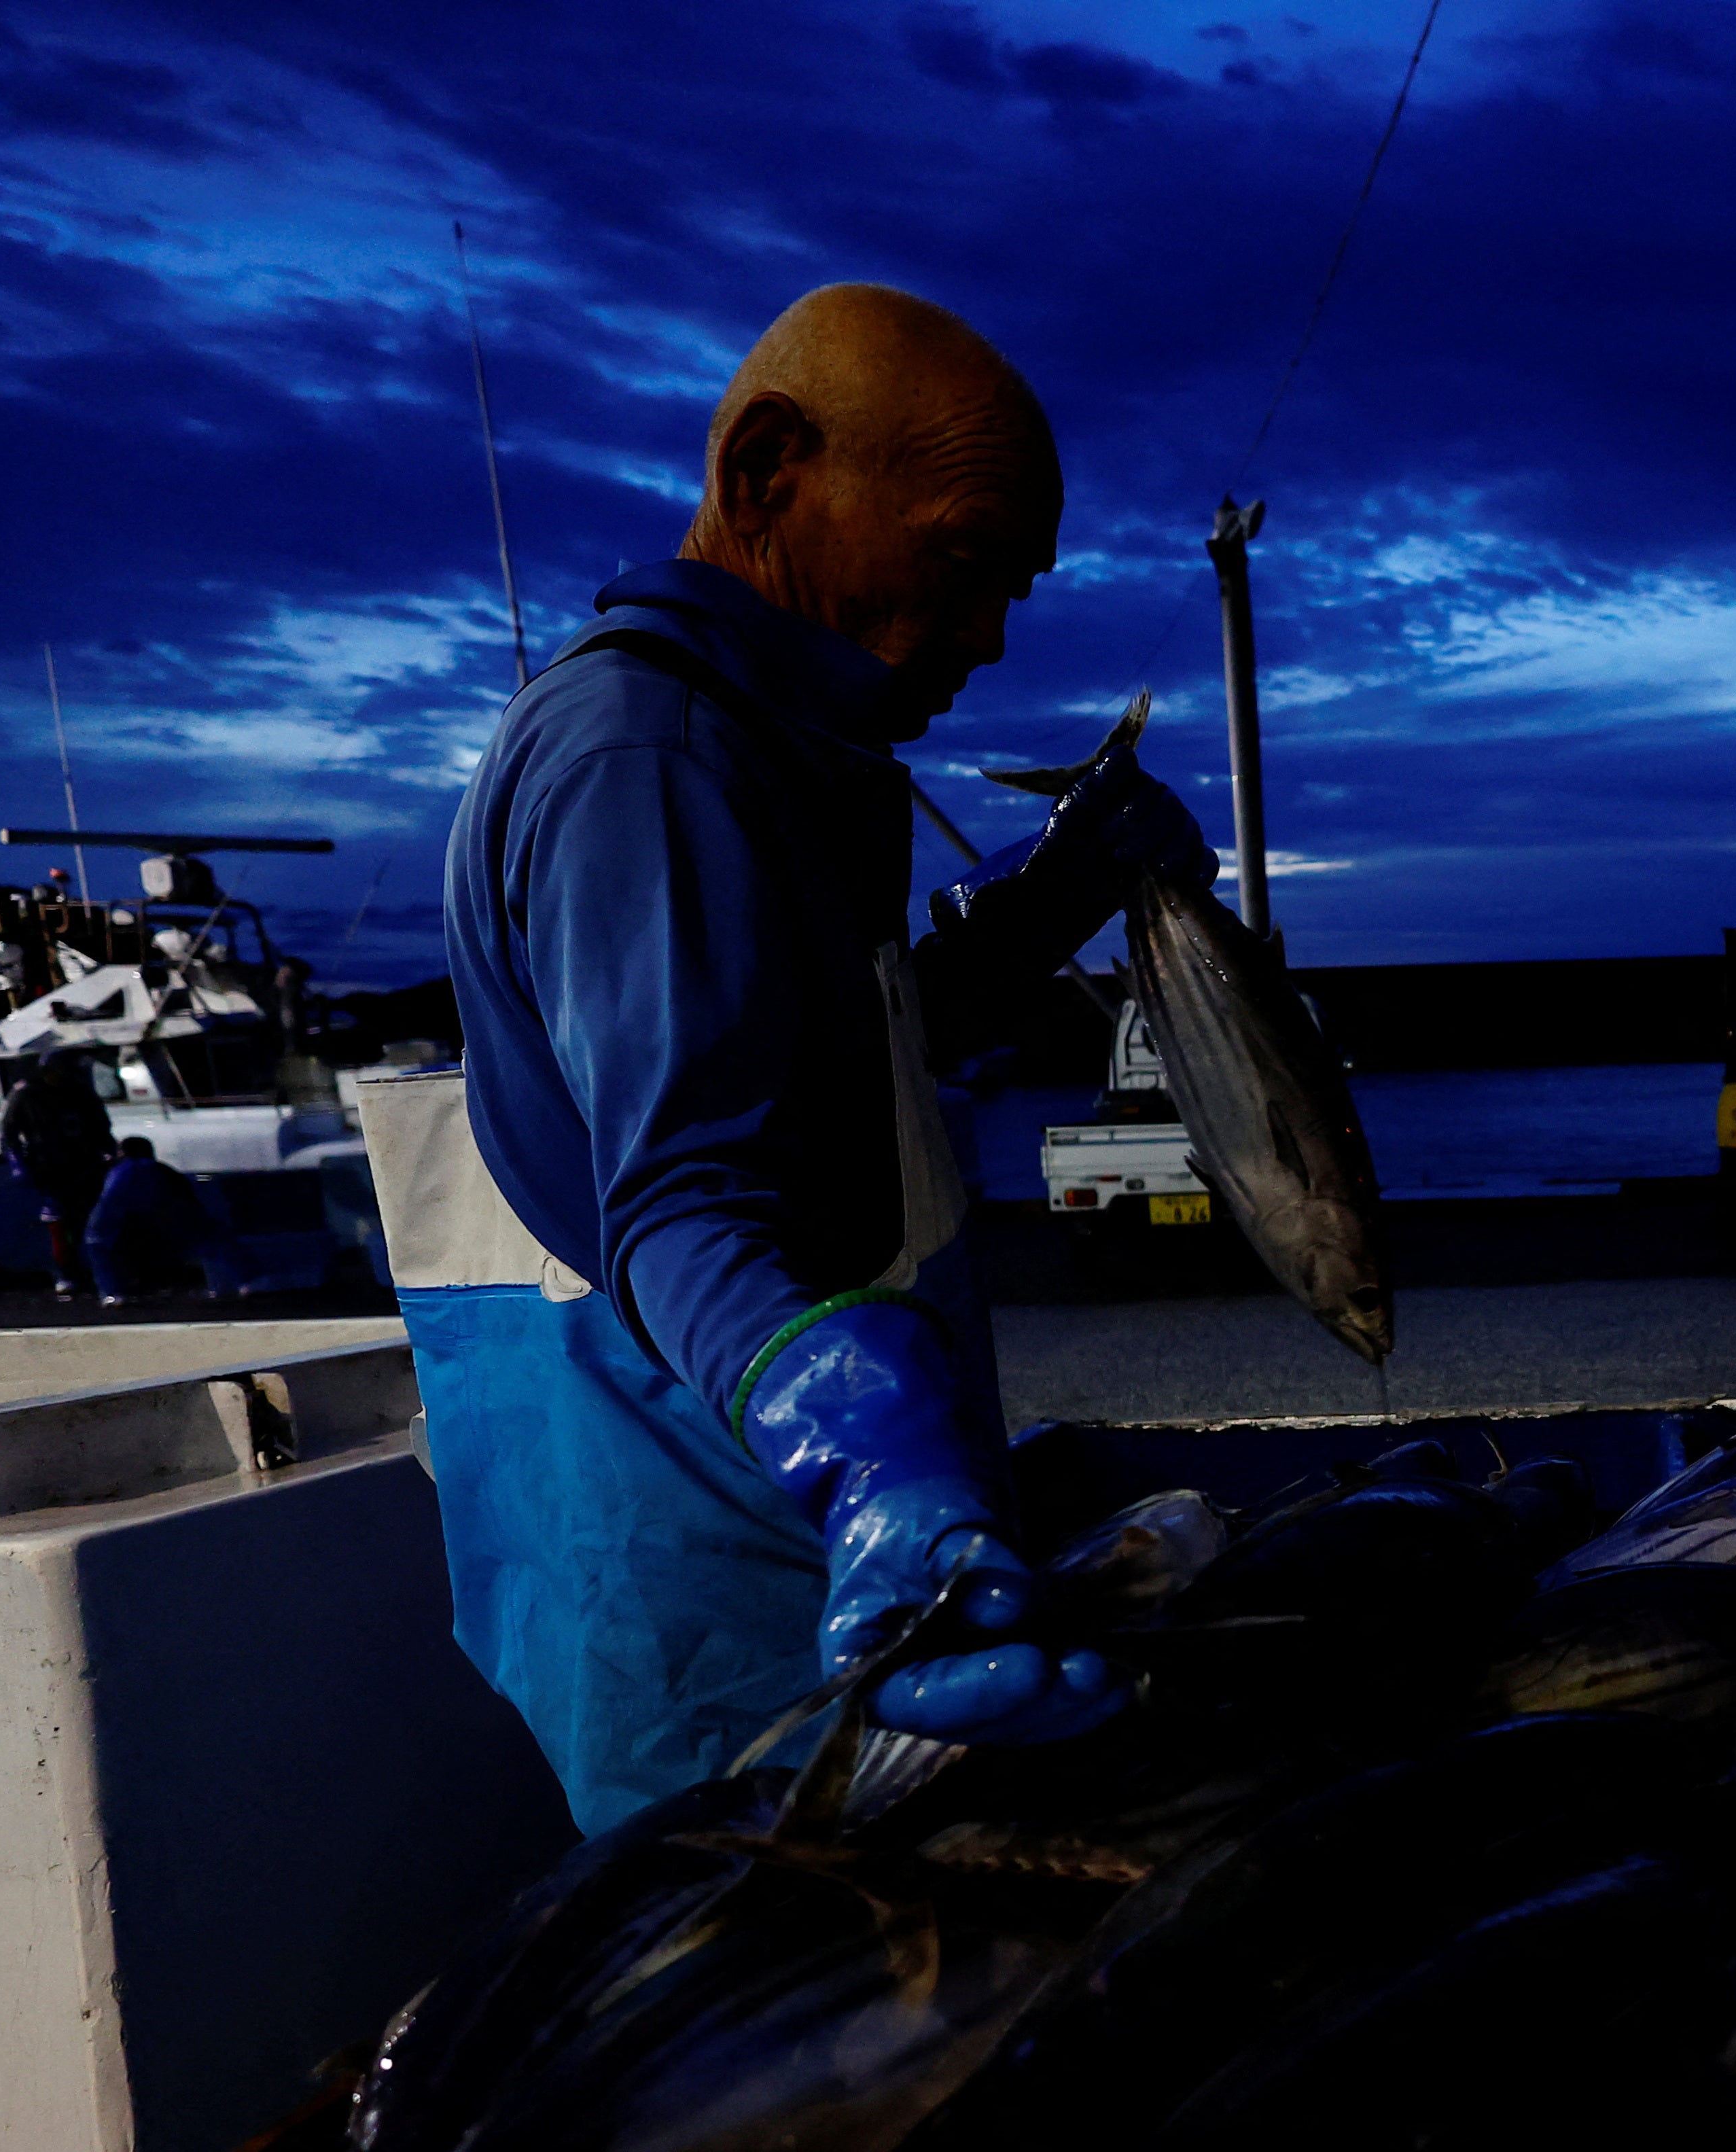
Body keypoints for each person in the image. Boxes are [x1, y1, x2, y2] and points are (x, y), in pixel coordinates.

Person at [389, 283, 1212, 1835]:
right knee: (771, 2017)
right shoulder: (651, 760)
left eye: (1011, 592)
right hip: (740, 1584)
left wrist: (1049, 895)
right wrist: (872, 1457)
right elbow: (689, 1197)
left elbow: (834, 1069)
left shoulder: (769, 753)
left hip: (812, 1572)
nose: (982, 634)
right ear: (770, 473)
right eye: (963, 564)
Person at [0, 1052, 114, 1297]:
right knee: (59, 1224)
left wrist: (109, 1154)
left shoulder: (82, 1092)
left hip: (86, 1165)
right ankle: (65, 1273)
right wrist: (18, 1164)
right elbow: (8, 1134)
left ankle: (97, 1272)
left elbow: (102, 1127)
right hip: (49, 1168)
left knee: (91, 1222)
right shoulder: (26, 1094)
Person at [83, 1135, 251, 1304]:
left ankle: (113, 1293)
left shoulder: (119, 1171)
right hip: (162, 1214)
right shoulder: (157, 1169)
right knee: (213, 1240)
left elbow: (108, 1205)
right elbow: (185, 1193)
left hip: (126, 1219)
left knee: (97, 1243)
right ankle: (248, 1281)